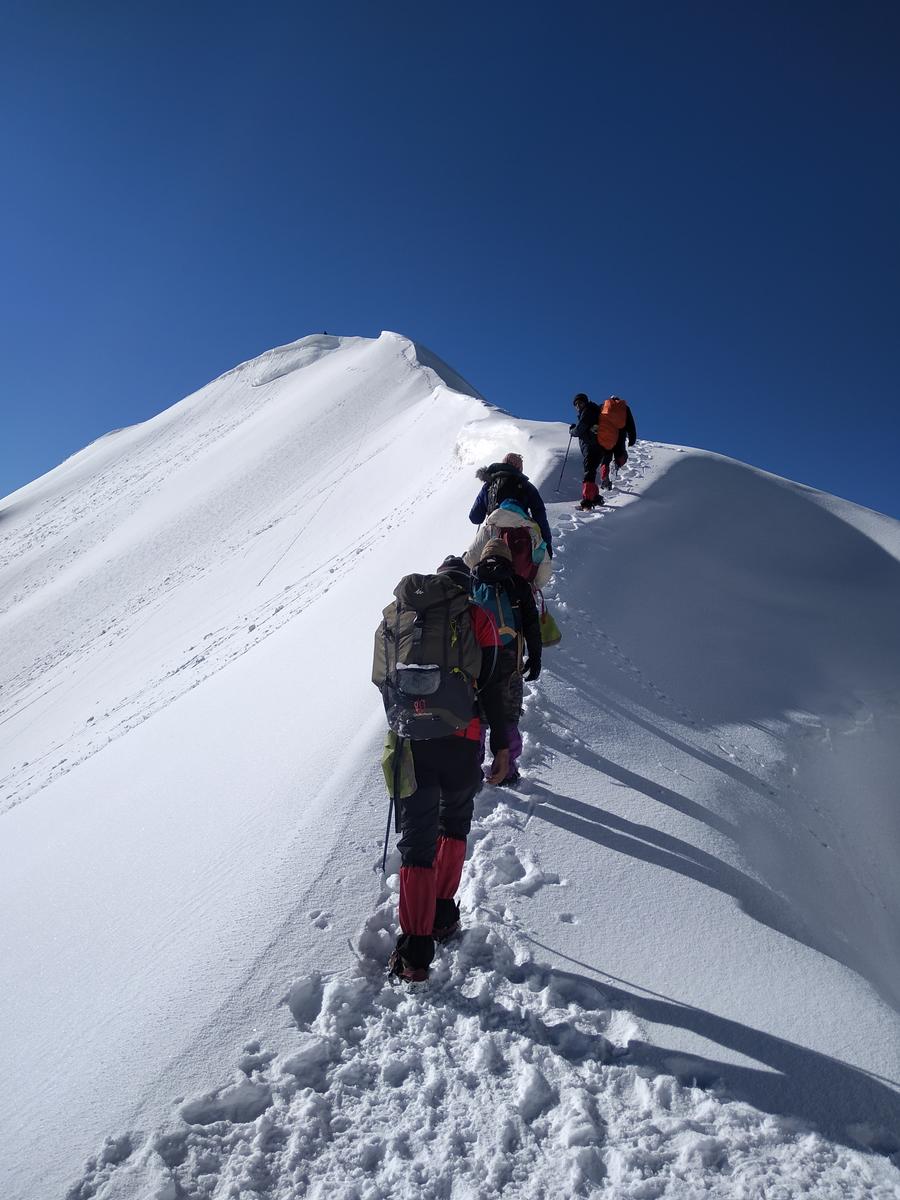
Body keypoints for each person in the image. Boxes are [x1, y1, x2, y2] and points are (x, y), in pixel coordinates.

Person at [373, 555, 509, 984]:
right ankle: (443, 915)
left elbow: (382, 679)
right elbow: (495, 684)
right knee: (454, 824)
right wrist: (502, 744)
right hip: (463, 740)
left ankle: (414, 955)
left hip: (414, 743)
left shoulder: (401, 617)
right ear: (464, 587)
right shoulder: (477, 618)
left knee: (417, 843)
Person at [471, 539, 541, 787]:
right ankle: (507, 769)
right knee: (508, 714)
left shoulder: (473, 581)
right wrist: (535, 657)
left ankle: (473, 769)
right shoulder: (517, 584)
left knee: (479, 715)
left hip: (479, 657)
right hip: (510, 656)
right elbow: (531, 623)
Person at [469, 452, 553, 559]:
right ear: (519, 468)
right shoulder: (527, 486)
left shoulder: (489, 485)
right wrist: (547, 544)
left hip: (491, 537)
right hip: (520, 538)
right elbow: (540, 515)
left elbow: (475, 518)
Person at [596, 395, 637, 490]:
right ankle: (617, 464)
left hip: (607, 436)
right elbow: (630, 424)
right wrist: (632, 439)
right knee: (623, 456)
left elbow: (597, 420)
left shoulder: (603, 406)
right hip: (620, 436)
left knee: (606, 459)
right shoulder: (625, 408)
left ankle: (605, 478)